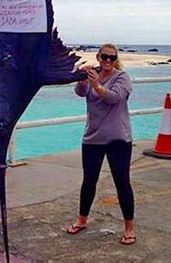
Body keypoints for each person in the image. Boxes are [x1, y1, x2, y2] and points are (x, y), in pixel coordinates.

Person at [67, 43, 136, 245]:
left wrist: (97, 85)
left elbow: (114, 98)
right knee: (89, 181)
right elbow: (80, 92)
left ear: (116, 60)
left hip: (118, 139)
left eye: (112, 58)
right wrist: (81, 78)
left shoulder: (122, 78)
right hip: (92, 138)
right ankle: (81, 219)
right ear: (98, 57)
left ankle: (129, 228)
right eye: (104, 57)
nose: (107, 61)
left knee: (122, 182)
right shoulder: (93, 75)